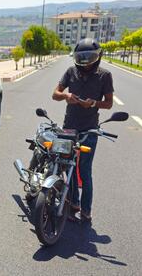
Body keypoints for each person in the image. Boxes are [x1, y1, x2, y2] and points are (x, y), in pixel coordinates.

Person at [52, 38, 114, 222]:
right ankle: (73, 203)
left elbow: (109, 103)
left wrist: (93, 103)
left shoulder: (105, 75)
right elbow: (55, 94)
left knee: (84, 169)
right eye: (82, 58)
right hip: (69, 128)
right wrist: (66, 96)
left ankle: (86, 210)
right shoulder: (71, 72)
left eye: (89, 58)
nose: (85, 63)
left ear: (98, 57)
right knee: (67, 164)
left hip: (90, 130)